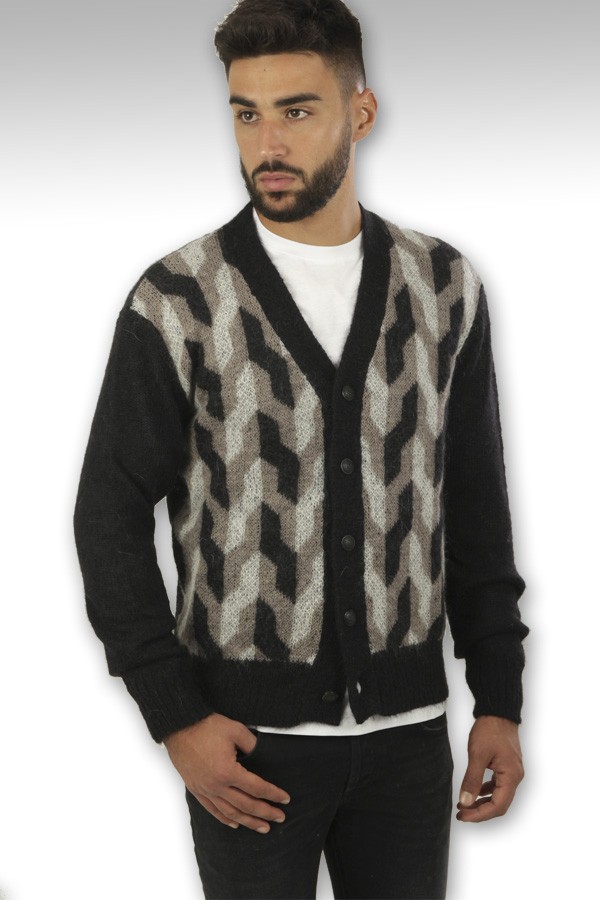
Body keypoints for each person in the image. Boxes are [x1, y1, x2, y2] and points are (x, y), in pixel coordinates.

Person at [73, 1, 529, 897]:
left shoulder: (443, 286)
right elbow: (108, 516)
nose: (267, 143)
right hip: (246, 748)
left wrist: (501, 701)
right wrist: (176, 717)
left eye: (296, 110)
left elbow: (475, 503)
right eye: (246, 113)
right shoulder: (179, 300)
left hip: (409, 744)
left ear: (361, 112)